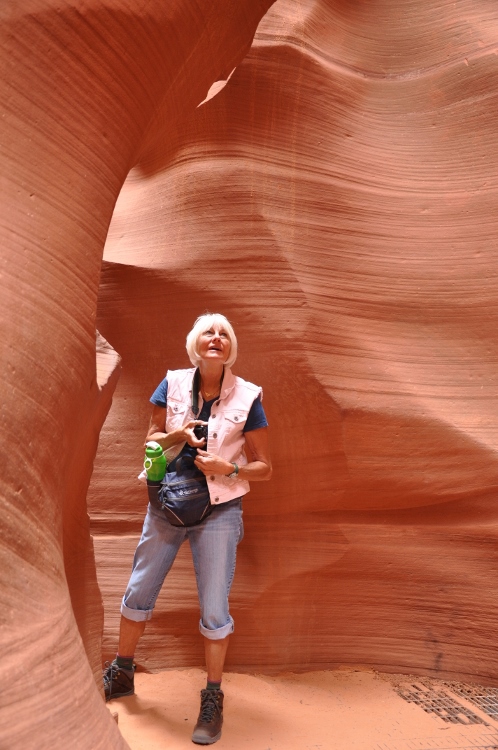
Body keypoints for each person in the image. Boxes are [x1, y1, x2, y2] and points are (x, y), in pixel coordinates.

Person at [103, 313, 272, 745]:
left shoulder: (248, 396)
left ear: (230, 347)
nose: (216, 339)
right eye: (208, 333)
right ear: (195, 343)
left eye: (224, 335)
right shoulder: (173, 382)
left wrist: (228, 466)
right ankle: (122, 672)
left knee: (215, 605)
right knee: (139, 588)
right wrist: (179, 434)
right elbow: (150, 440)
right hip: (166, 502)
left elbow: (265, 467)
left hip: (220, 510)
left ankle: (212, 697)